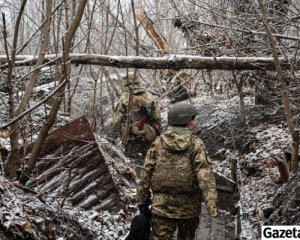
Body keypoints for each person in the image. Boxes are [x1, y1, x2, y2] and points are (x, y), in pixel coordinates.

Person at [136, 102, 218, 240]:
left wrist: (142, 201)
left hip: (161, 208)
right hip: (189, 209)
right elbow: (205, 176)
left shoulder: (157, 144)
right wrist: (212, 206)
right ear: (184, 120)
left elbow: (145, 175)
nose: (195, 123)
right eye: (192, 119)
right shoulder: (196, 144)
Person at [111, 71, 162, 160]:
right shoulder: (149, 96)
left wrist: (112, 137)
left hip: (132, 137)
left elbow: (117, 119)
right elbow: (157, 116)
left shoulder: (125, 98)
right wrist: (158, 131)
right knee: (151, 158)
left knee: (133, 161)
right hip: (148, 134)